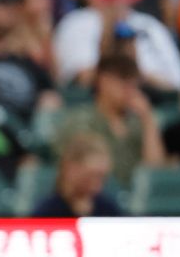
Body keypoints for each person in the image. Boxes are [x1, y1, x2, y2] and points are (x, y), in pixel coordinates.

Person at [53, 54, 165, 186]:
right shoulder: (80, 120)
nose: (130, 91)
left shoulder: (138, 123)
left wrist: (148, 120)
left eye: (133, 84)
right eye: (123, 83)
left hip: (136, 198)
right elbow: (82, 168)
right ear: (103, 81)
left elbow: (156, 171)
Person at [33, 132, 121, 217]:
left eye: (102, 178)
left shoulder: (109, 211)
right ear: (71, 169)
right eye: (92, 176)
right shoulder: (47, 212)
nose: (98, 186)